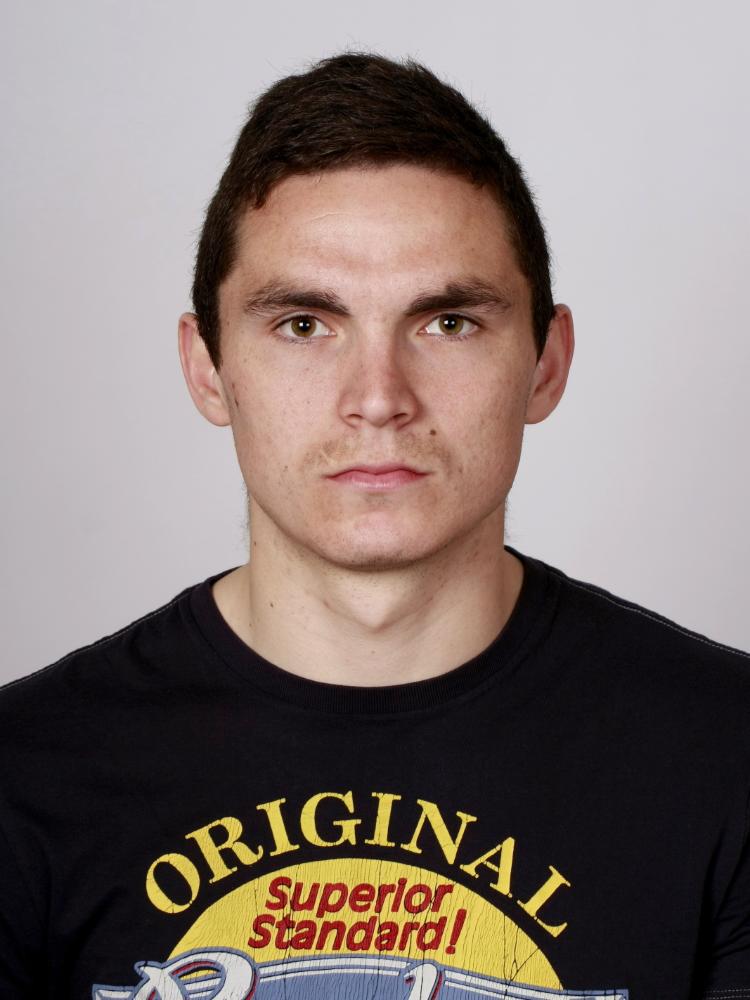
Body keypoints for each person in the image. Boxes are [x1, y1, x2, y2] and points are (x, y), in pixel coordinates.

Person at [0, 50, 748, 1000]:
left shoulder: (728, 756)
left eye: (448, 322)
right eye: (304, 324)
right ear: (207, 369)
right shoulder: (24, 773)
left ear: (546, 364)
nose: (379, 398)